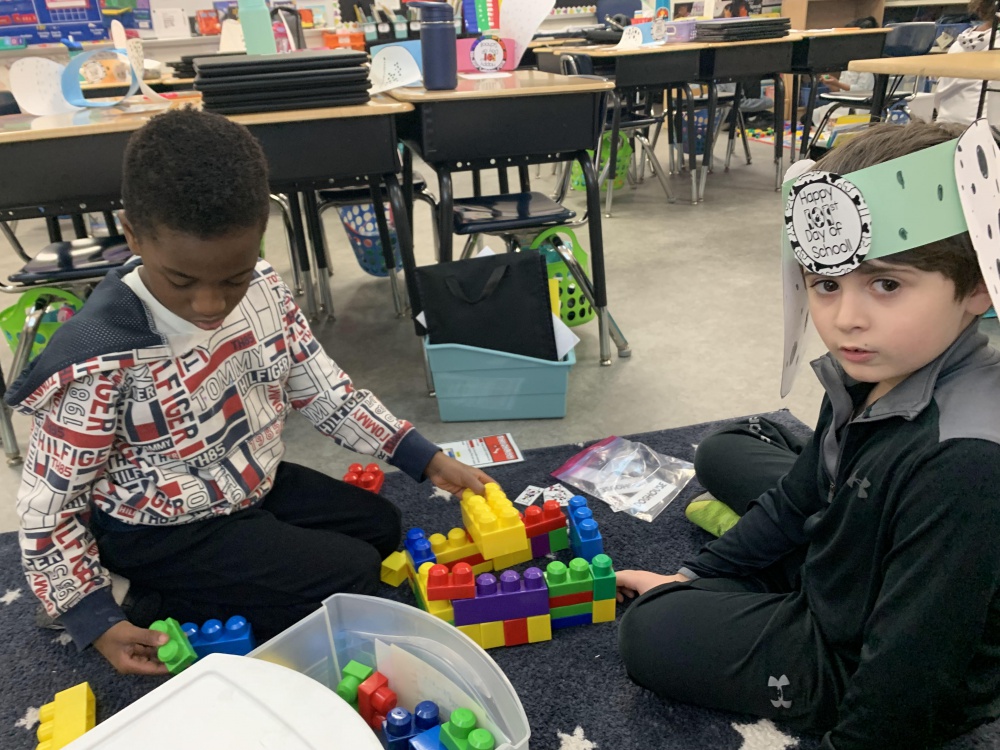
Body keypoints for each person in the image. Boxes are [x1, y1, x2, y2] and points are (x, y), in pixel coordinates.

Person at [8, 108, 492, 676]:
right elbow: (48, 507)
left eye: (231, 277)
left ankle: (237, 567)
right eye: (182, 281)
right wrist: (91, 617)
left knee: (381, 526)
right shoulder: (97, 358)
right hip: (163, 531)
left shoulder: (262, 290)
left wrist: (423, 456)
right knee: (353, 571)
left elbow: (326, 391)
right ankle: (141, 592)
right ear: (133, 235)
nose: (211, 304)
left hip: (247, 486)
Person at [615, 121, 1000, 749]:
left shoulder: (965, 464)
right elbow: (800, 497)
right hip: (854, 557)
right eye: (825, 284)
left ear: (977, 285)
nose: (845, 318)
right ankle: (783, 567)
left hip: (864, 647)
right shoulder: (877, 366)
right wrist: (692, 575)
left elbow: (914, 667)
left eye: (886, 283)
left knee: (650, 633)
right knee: (722, 452)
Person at [934, 0, 998, 127]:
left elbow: (939, 98)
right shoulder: (995, 45)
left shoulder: (959, 43)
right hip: (984, 134)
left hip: (944, 128)